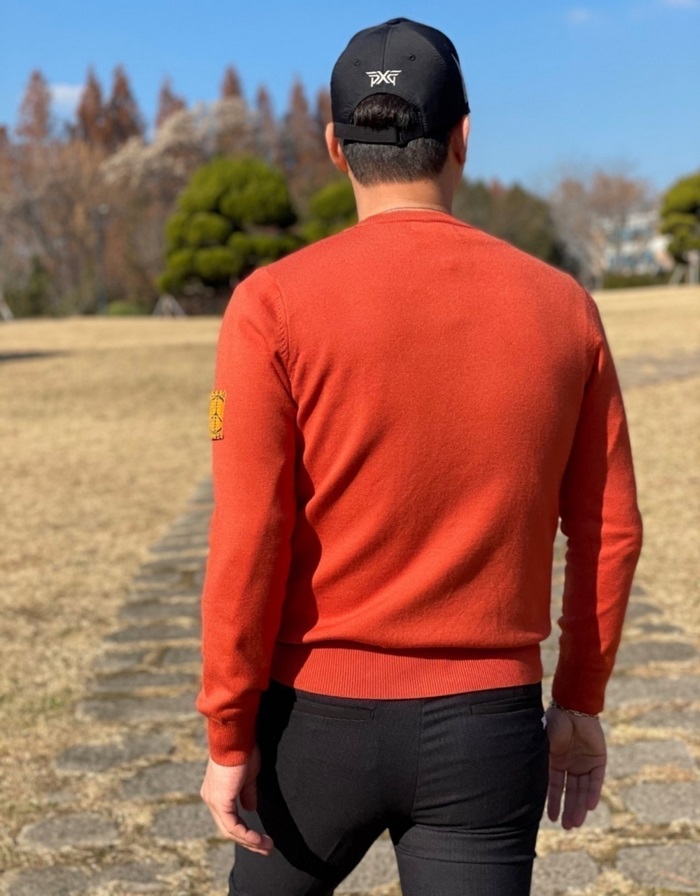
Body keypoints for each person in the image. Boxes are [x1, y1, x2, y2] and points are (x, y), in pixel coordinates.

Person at [197, 17, 643, 896]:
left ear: (336, 146)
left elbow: (249, 534)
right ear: (463, 137)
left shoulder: (271, 304)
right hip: (486, 731)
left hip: (312, 720)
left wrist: (227, 731)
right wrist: (579, 699)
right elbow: (610, 530)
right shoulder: (564, 307)